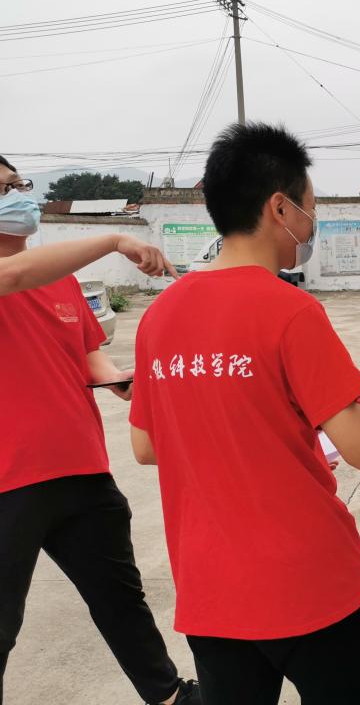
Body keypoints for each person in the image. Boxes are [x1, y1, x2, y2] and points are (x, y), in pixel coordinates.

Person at [128, 123, 360, 705]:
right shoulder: (292, 311)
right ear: (280, 209)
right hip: (311, 586)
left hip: (212, 591)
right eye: (310, 209)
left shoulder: (158, 318)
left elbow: (146, 447)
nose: (311, 223)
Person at [0, 155, 200, 704]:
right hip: (8, 482)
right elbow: (12, 277)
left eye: (16, 185)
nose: (17, 198)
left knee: (120, 599)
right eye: (1, 191)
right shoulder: (17, 274)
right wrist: (115, 239)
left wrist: (120, 379)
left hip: (81, 471)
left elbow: (88, 356)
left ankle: (169, 696)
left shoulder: (60, 280)